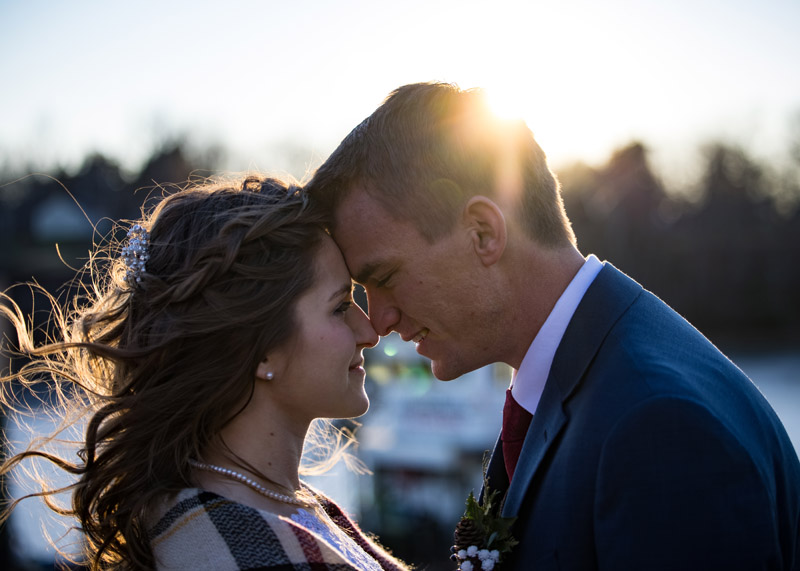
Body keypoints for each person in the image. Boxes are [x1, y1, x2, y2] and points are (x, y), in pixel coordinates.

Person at [305, 82, 800, 570]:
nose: (379, 319)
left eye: (385, 277)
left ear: (483, 232)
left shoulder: (658, 427)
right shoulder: (595, 379)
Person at [0, 176, 408, 571]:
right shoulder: (241, 548)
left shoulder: (273, 506)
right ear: (259, 349)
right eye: (339, 307)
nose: (369, 332)